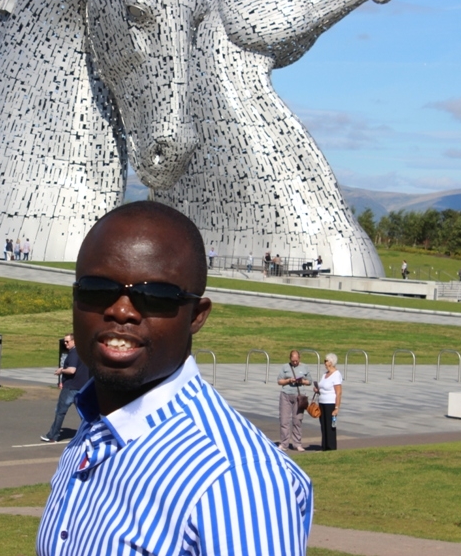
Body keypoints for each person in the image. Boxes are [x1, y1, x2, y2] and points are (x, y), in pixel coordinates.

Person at [37, 201, 312, 555]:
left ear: (196, 315)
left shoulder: (236, 481)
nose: (121, 310)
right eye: (97, 289)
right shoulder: (93, 429)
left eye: (155, 296)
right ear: (75, 298)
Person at [41, 334, 89, 443]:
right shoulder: (84, 353)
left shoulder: (73, 353)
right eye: (64, 341)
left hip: (71, 387)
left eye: (67, 341)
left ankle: (53, 435)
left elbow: (72, 370)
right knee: (84, 413)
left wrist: (61, 370)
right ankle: (89, 434)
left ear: (74, 341)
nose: (65, 343)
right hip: (82, 387)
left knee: (60, 411)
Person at [277, 350, 312, 452]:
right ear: (290, 359)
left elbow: (309, 381)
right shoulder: (285, 367)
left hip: (299, 396)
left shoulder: (305, 367)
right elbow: (279, 381)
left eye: (296, 360)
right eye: (293, 361)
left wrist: (302, 381)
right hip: (286, 395)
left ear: (299, 358)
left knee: (297, 420)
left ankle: (297, 444)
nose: (295, 362)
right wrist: (288, 380)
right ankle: (284, 443)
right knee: (284, 420)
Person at [314, 353, 342, 451]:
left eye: (326, 361)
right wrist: (317, 390)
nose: (324, 363)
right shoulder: (324, 374)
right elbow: (322, 387)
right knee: (323, 425)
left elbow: (338, 392)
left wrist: (336, 408)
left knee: (330, 426)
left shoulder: (336, 375)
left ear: (331, 362)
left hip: (330, 404)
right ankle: (324, 446)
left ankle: (331, 447)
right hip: (322, 402)